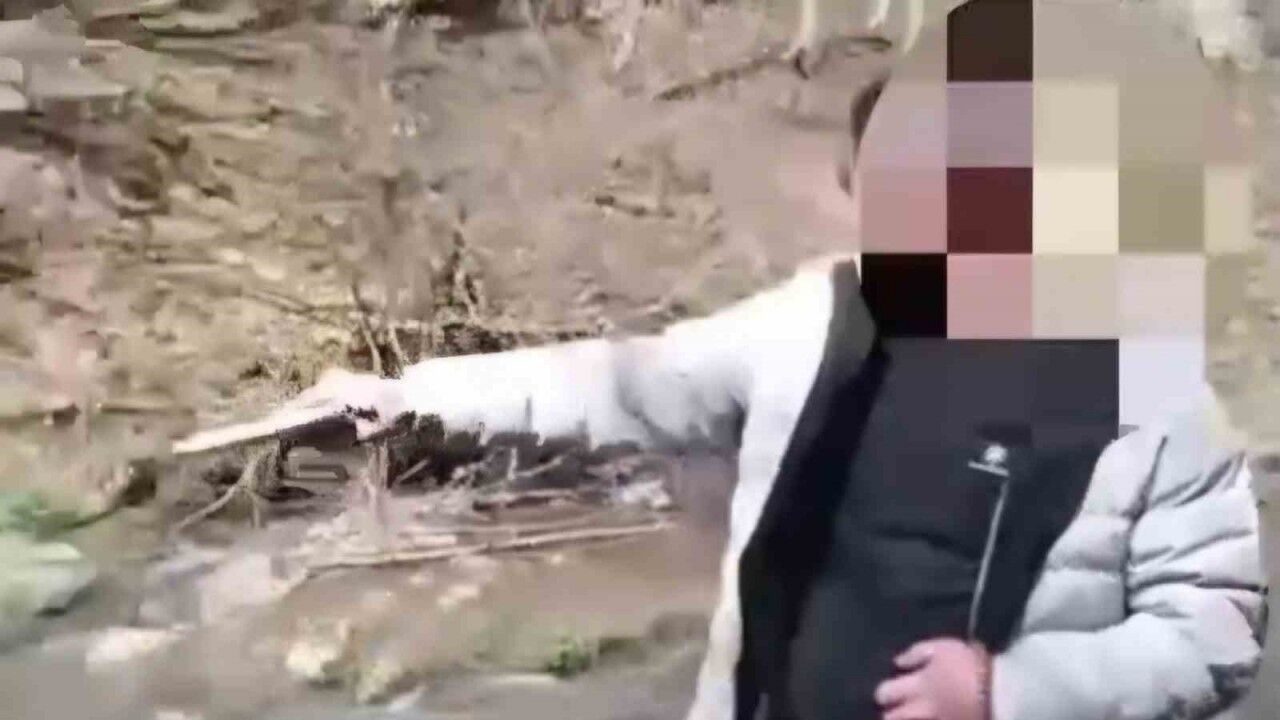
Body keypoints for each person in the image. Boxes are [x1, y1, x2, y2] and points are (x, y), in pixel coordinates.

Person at [276, 2, 1270, 719]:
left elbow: (1212, 635)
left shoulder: (1149, 396)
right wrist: (409, 398)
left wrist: (1008, 691)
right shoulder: (817, 323)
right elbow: (622, 384)